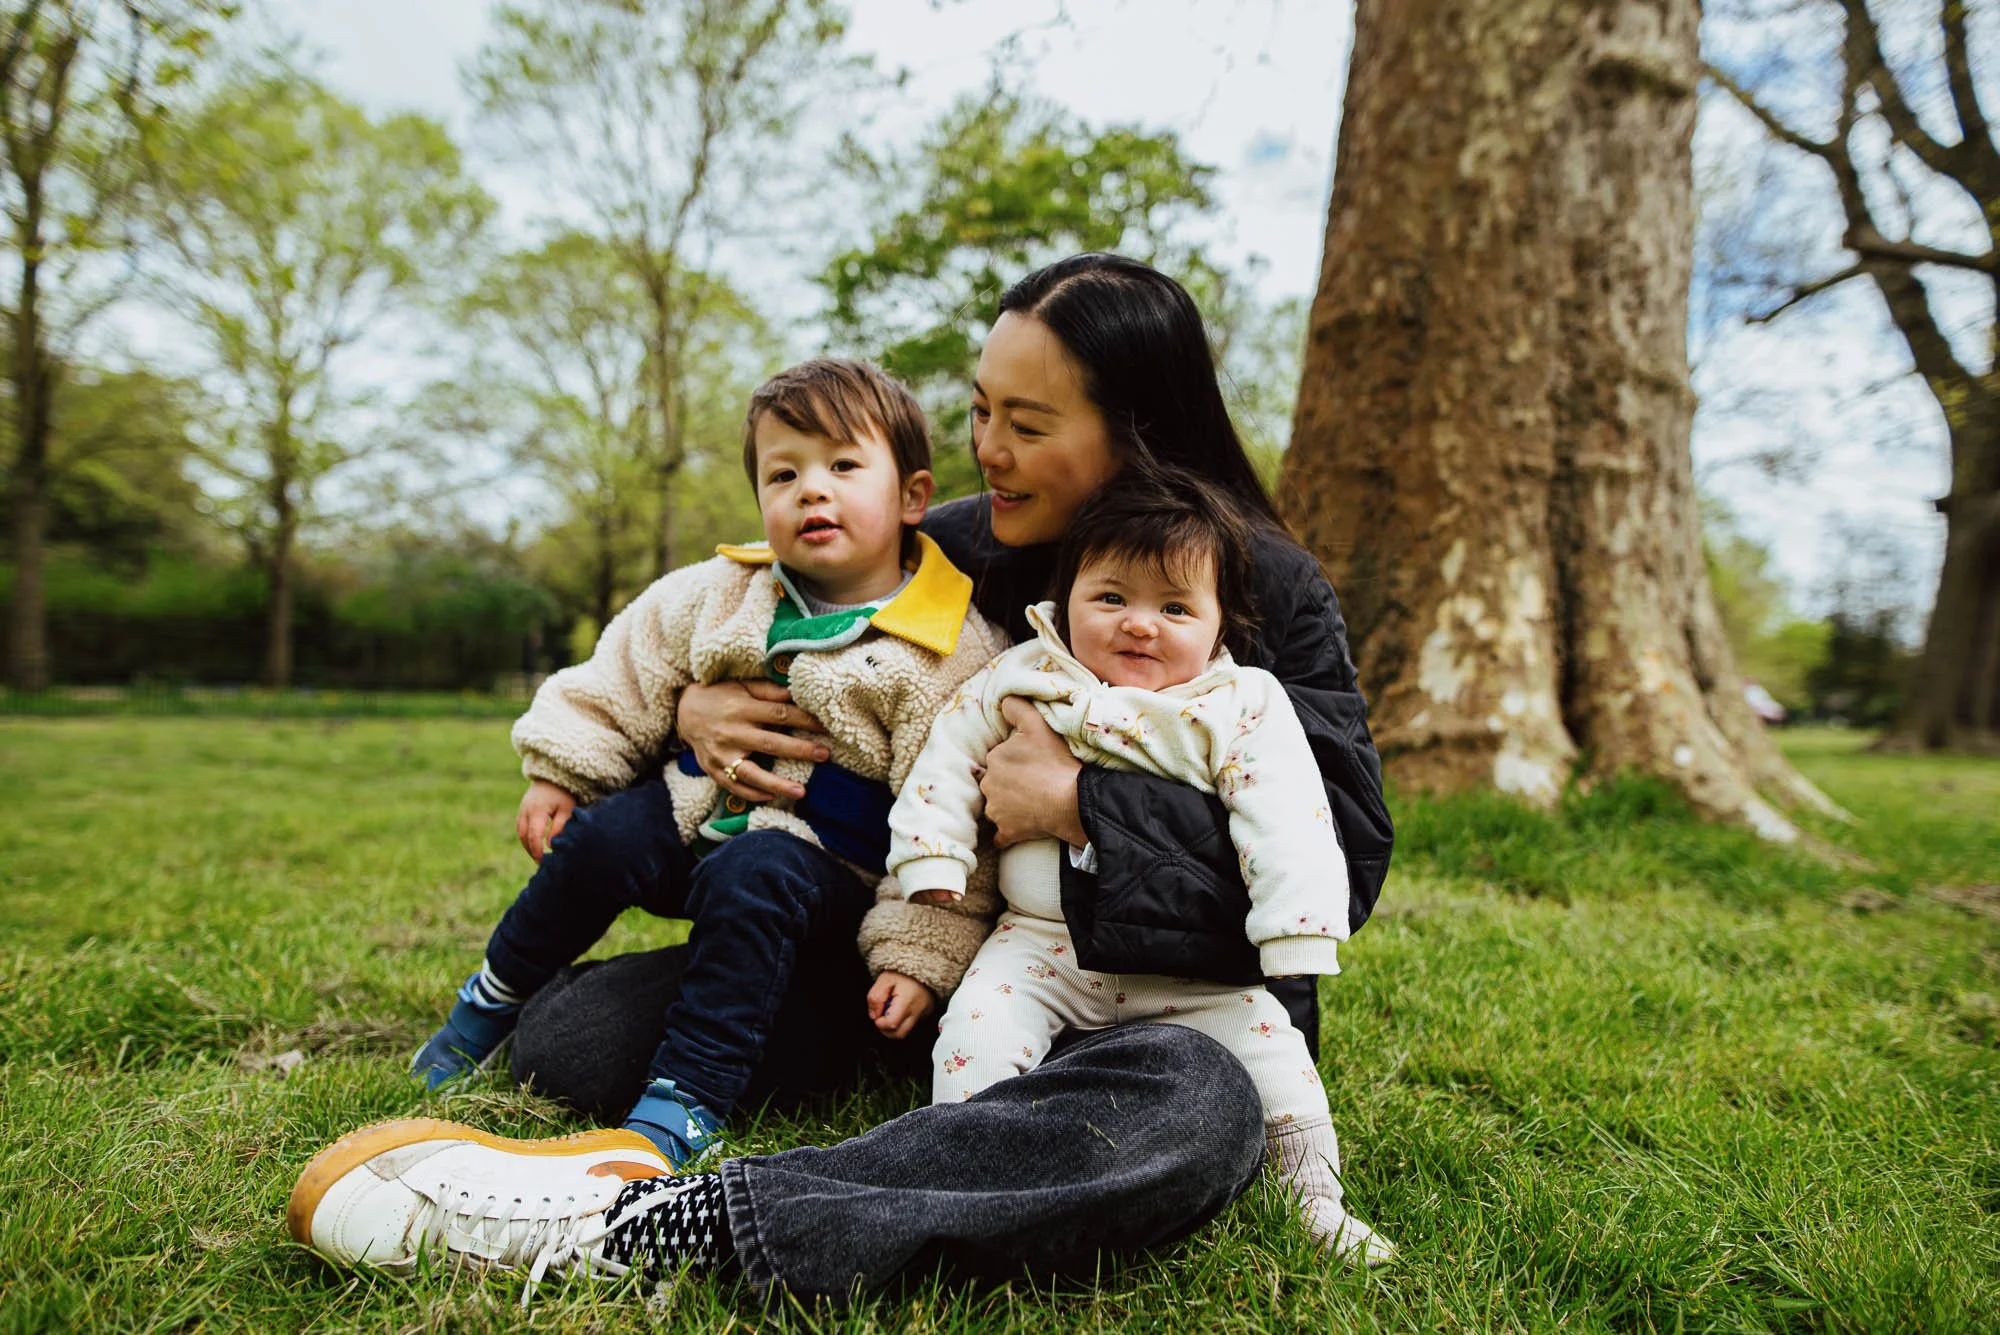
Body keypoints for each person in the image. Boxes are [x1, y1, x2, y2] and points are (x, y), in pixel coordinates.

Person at [288, 254, 1395, 1304]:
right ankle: (958, 1134)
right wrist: (697, 709)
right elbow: (742, 612)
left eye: (1026, 424)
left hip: (1165, 1005)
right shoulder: (948, 544)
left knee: (1192, 1113)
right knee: (573, 1043)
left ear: (1132, 436)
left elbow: (1337, 866)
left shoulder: (1260, 583)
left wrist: (1078, 806)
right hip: (941, 964)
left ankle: (649, 1229)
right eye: (977, 411)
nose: (986, 450)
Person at [408, 358, 1005, 1167]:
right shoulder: (726, 589)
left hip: (828, 871)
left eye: (842, 466)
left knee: (759, 871)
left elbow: (953, 820)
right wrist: (562, 768)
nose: (811, 490)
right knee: (602, 839)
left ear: (911, 496)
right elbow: (629, 665)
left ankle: (686, 1094)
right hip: (699, 811)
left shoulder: (947, 645)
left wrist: (917, 954)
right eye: (783, 472)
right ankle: (491, 998)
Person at [875, 467, 1391, 1264]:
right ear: (1065, 600)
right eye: (1111, 598)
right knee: (974, 1032)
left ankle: (1316, 1199)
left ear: (1219, 626)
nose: (1140, 625)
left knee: (1280, 1061)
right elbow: (946, 755)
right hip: (1038, 944)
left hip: (1191, 977)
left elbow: (1288, 816)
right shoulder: (1025, 675)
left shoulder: (1238, 703)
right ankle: (974, 1169)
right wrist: (934, 851)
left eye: (1175, 607)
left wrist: (1295, 934)